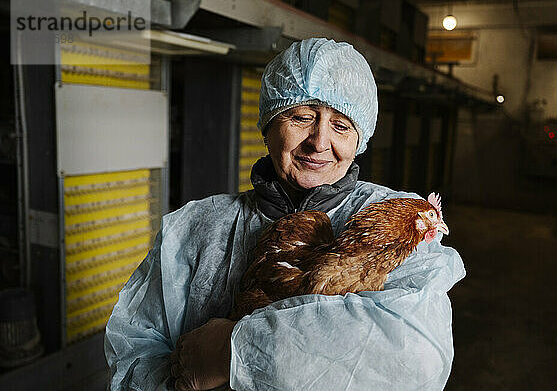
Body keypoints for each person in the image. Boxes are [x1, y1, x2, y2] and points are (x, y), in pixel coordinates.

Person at [104, 38, 465, 391]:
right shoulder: (196, 227)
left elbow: (414, 357)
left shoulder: (403, 224)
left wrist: (233, 351)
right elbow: (135, 348)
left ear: (360, 139)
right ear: (268, 125)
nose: (319, 141)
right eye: (301, 117)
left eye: (341, 126)